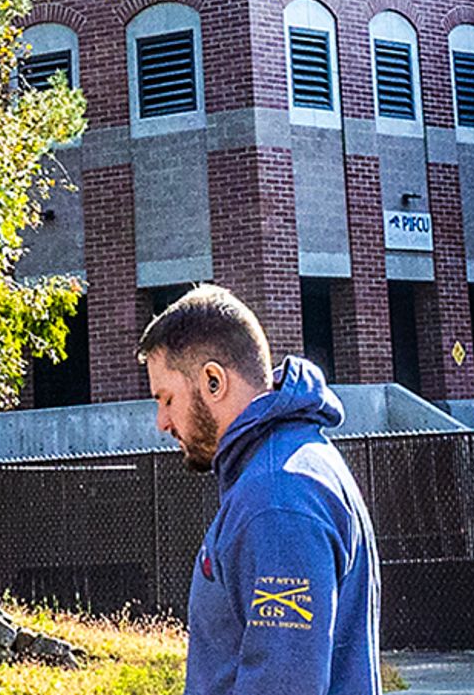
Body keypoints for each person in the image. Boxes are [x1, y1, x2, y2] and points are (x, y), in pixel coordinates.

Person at [143, 286, 379, 695]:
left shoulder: (277, 497)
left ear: (213, 381)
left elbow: (283, 685)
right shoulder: (286, 467)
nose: (162, 422)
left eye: (166, 399)